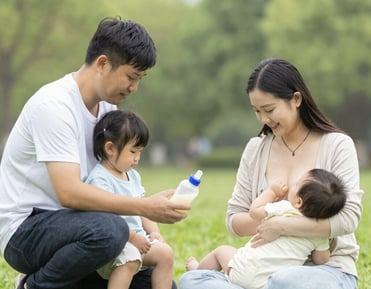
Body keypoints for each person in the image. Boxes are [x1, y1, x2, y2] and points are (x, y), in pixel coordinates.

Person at [0, 17, 189, 289]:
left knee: (157, 284)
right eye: (131, 76)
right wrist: (144, 207)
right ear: (102, 64)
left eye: (140, 79)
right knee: (111, 230)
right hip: (28, 232)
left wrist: (149, 224)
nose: (134, 87)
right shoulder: (55, 105)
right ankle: (35, 285)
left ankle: (63, 280)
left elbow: (113, 185)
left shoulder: (108, 112)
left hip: (83, 232)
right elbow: (69, 193)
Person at [179, 58, 363, 289]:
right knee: (192, 281)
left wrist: (283, 226)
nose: (263, 119)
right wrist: (266, 219)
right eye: (256, 111)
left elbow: (348, 218)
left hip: (323, 273)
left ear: (296, 99)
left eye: (269, 109)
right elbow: (234, 219)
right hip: (264, 270)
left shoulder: (336, 145)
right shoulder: (256, 149)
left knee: (285, 281)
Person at [186, 168, 347, 289]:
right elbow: (321, 260)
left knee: (221, 251)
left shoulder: (283, 209)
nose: (293, 184)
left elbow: (255, 211)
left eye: (297, 184)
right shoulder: (319, 234)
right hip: (268, 282)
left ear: (298, 202)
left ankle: (197, 270)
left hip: (243, 270)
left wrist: (271, 192)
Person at [85, 109, 174, 289]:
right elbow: (106, 219)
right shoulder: (100, 179)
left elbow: (143, 209)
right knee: (130, 260)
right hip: (114, 242)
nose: (137, 158)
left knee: (165, 254)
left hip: (138, 241)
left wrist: (154, 232)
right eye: (133, 151)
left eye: (140, 152)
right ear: (109, 148)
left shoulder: (132, 176)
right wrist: (131, 237)